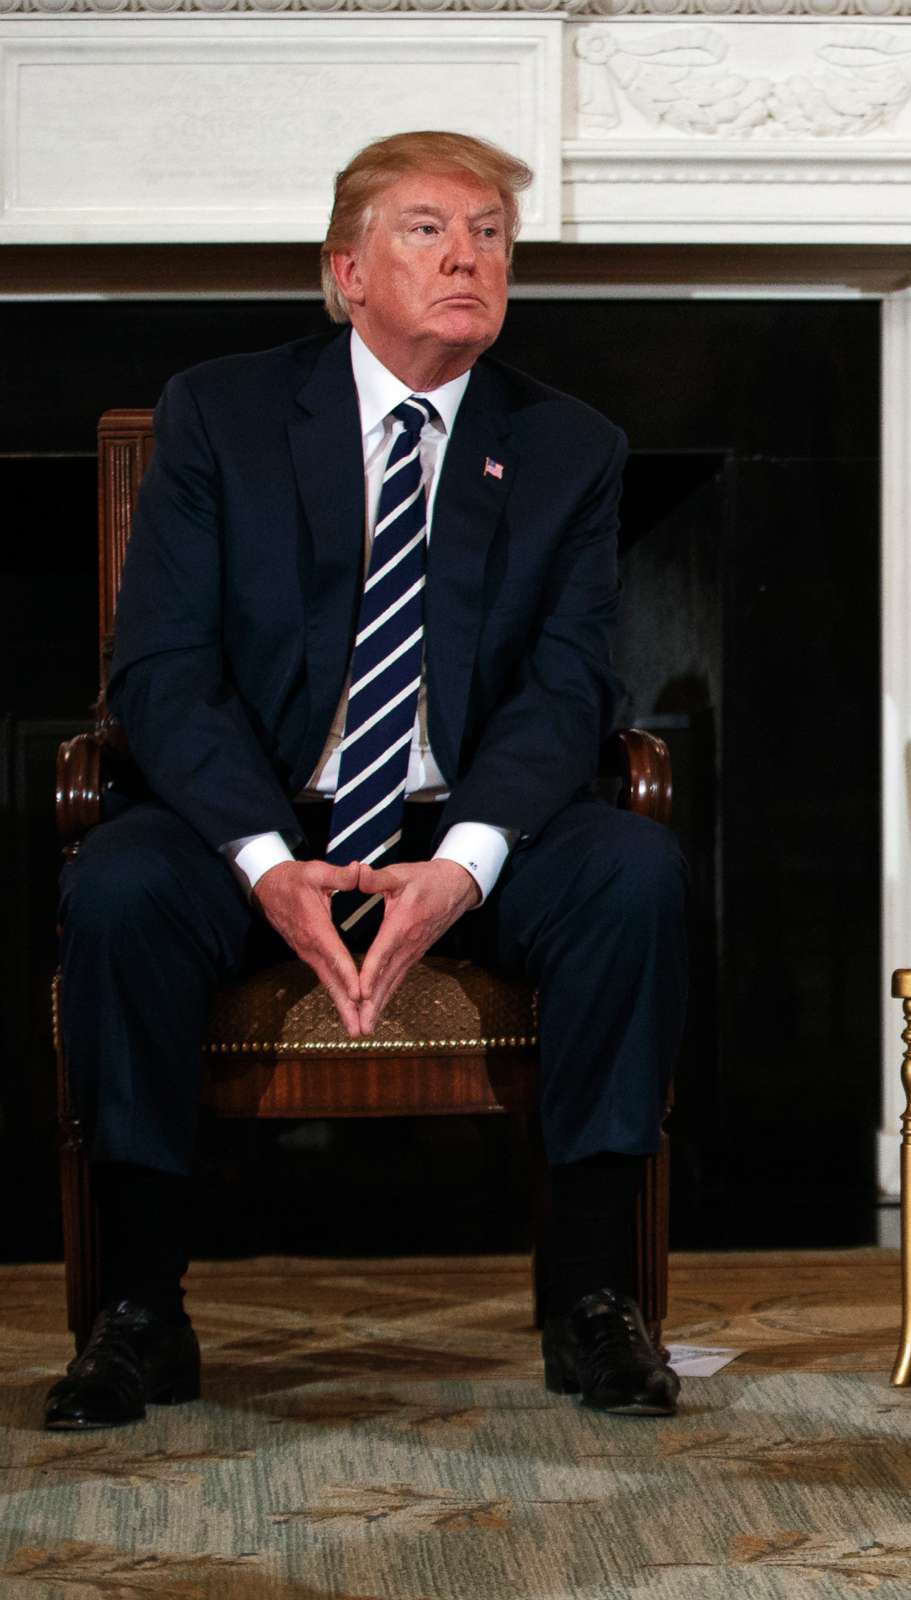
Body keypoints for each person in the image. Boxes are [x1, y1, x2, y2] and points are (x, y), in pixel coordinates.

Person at [48, 131, 688, 1429]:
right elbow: (162, 673)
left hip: (462, 821)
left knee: (632, 871)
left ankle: (589, 1298)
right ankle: (138, 1308)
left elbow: (569, 692)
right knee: (115, 887)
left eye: (491, 234)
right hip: (261, 819)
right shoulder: (220, 415)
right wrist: (267, 865)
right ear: (346, 270)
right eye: (427, 229)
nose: (468, 255)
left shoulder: (567, 448)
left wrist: (463, 871)